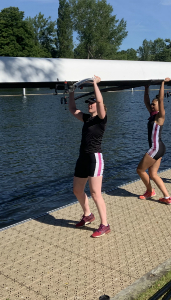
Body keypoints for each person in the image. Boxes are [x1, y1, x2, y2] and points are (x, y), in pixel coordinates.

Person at [68, 76, 110, 238]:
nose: (90, 105)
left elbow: (100, 102)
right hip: (82, 157)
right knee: (77, 190)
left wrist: (94, 85)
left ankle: (105, 224)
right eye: (88, 103)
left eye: (92, 103)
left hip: (95, 158)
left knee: (95, 193)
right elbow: (72, 109)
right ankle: (88, 215)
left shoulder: (101, 119)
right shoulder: (87, 118)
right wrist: (71, 91)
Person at [137, 79, 171, 204]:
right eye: (152, 104)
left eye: (154, 104)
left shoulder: (160, 116)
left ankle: (150, 191)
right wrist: (146, 87)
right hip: (159, 147)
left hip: (156, 148)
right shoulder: (152, 115)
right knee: (153, 173)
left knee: (140, 170)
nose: (152, 105)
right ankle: (167, 197)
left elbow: (161, 99)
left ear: (159, 106)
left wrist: (162, 83)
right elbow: (145, 101)